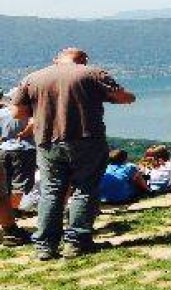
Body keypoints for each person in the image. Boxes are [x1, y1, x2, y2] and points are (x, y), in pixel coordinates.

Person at [11, 47, 136, 260]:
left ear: (56, 59)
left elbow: (17, 112)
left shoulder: (33, 78)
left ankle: (45, 247)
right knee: (84, 188)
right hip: (87, 139)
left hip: (47, 141)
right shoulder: (92, 73)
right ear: (83, 60)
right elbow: (124, 98)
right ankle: (77, 243)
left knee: (51, 191)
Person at [0, 87, 37, 209]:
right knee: (20, 184)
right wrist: (25, 133)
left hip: (4, 149)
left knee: (5, 183)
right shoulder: (28, 111)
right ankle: (13, 211)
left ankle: (7, 210)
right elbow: (33, 123)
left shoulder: (3, 112)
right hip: (24, 149)